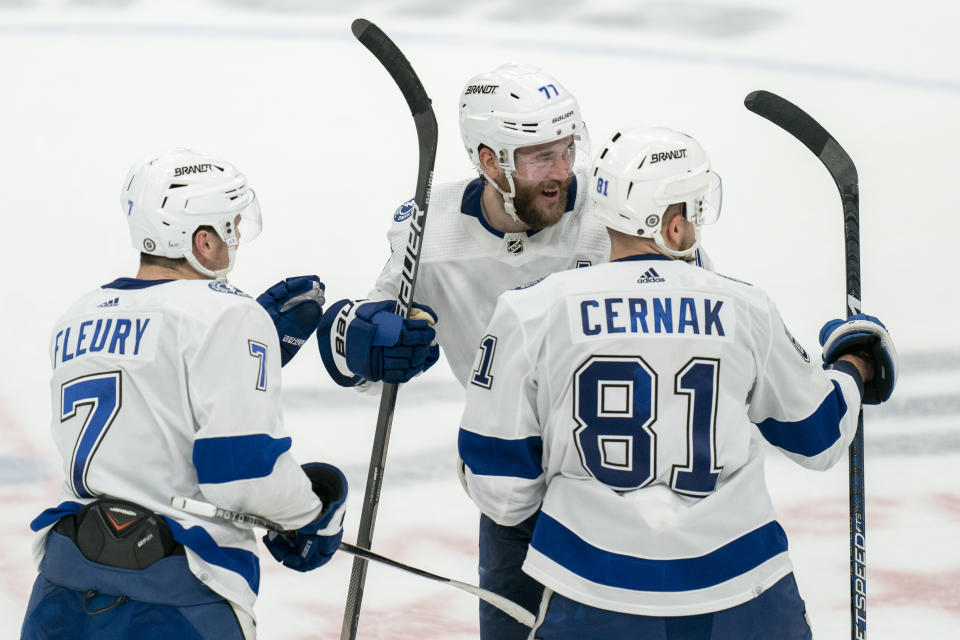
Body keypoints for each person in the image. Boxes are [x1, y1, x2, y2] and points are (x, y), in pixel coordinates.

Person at [317, 62, 709, 639]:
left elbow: (711, 318)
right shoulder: (430, 234)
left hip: (636, 486)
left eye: (566, 148)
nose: (562, 171)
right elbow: (357, 360)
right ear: (488, 161)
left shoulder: (617, 213)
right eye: (538, 157)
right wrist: (361, 339)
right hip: (511, 489)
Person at [457, 126, 898, 639]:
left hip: (590, 589)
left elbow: (503, 491)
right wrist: (855, 364)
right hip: (744, 588)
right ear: (671, 225)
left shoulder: (532, 309)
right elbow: (819, 435)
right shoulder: (743, 306)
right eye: (692, 210)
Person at [20, 149, 380, 639]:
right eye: (230, 226)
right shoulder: (229, 315)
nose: (236, 238)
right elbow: (242, 473)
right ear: (202, 240)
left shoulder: (76, 316)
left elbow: (148, 409)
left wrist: (248, 355)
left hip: (61, 589)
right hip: (175, 596)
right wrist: (310, 516)